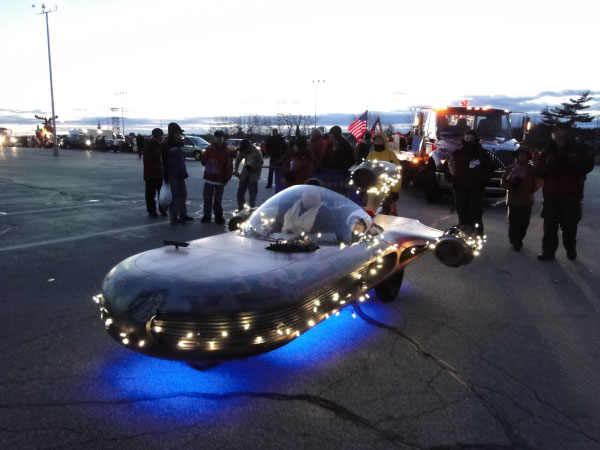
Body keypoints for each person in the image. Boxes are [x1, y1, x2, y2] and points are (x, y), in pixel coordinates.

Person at [534, 127, 594, 260]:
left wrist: (574, 162)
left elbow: (587, 165)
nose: (559, 134)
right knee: (549, 224)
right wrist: (548, 165)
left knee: (569, 225)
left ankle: (570, 248)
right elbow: (538, 171)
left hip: (571, 193)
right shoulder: (548, 150)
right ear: (552, 135)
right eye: (556, 132)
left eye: (562, 131)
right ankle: (548, 251)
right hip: (551, 194)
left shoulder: (576, 149)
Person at [448, 129, 492, 235]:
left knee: (475, 211)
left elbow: (489, 168)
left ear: (476, 139)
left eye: (471, 139)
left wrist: (482, 179)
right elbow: (449, 166)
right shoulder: (457, 153)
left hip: (476, 188)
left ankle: (477, 232)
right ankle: (463, 231)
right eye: (466, 138)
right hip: (460, 186)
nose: (468, 141)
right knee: (461, 210)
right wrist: (451, 177)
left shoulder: (482, 154)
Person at [500, 146, 538, 251]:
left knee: (524, 223)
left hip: (527, 201)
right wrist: (512, 184)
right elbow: (504, 183)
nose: (522, 157)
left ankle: (519, 239)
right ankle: (513, 239)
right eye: (520, 154)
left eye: (524, 155)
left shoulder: (531, 170)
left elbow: (537, 183)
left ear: (527, 156)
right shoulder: (510, 168)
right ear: (517, 156)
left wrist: (531, 190)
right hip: (513, 200)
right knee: (513, 222)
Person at [163, 122, 193, 225]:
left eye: (179, 133)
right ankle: (174, 217)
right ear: (172, 133)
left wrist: (184, 171)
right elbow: (164, 161)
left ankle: (183, 215)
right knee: (175, 196)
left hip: (180, 173)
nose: (179, 134)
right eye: (177, 132)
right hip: (172, 174)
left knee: (183, 195)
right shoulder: (167, 144)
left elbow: (181, 160)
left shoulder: (178, 143)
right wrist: (165, 175)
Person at [201, 130, 233, 224]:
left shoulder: (226, 151)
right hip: (209, 178)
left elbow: (229, 167)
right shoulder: (209, 149)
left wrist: (226, 178)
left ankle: (218, 216)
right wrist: (203, 159)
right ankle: (207, 215)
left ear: (223, 139)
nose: (219, 139)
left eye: (221, 137)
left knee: (218, 200)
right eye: (217, 137)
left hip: (220, 180)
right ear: (214, 138)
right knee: (207, 198)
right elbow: (204, 161)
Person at [366, 132, 401, 215]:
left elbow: (397, 172)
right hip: (373, 191)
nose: (377, 143)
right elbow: (367, 170)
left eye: (380, 140)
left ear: (384, 141)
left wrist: (395, 190)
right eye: (376, 141)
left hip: (387, 192)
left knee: (385, 215)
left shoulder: (390, 155)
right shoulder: (371, 155)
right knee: (371, 213)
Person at [143, 128, 167, 218]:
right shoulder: (152, 145)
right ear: (158, 136)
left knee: (158, 194)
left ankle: (159, 209)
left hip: (155, 174)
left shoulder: (157, 145)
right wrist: (161, 170)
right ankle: (153, 211)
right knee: (151, 194)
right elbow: (152, 161)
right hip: (152, 175)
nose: (163, 137)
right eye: (162, 135)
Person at [234, 139, 264, 210]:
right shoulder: (242, 150)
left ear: (248, 147)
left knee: (252, 194)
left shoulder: (256, 151)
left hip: (253, 175)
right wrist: (236, 170)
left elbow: (261, 162)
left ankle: (251, 208)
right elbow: (238, 160)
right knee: (240, 193)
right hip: (245, 173)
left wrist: (253, 168)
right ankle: (241, 207)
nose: (244, 151)